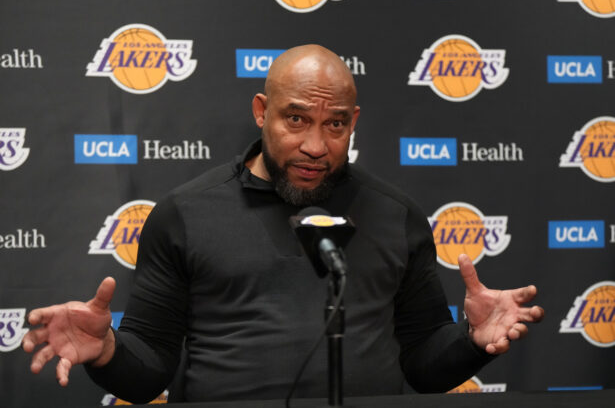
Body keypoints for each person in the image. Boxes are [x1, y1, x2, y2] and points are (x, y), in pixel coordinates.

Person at [22, 44, 544, 403]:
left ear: (354, 122)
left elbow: (424, 370)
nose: (315, 145)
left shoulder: (395, 214)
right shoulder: (185, 214)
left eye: (334, 124)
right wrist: (107, 351)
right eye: (296, 119)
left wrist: (471, 341)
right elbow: (148, 371)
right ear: (261, 111)